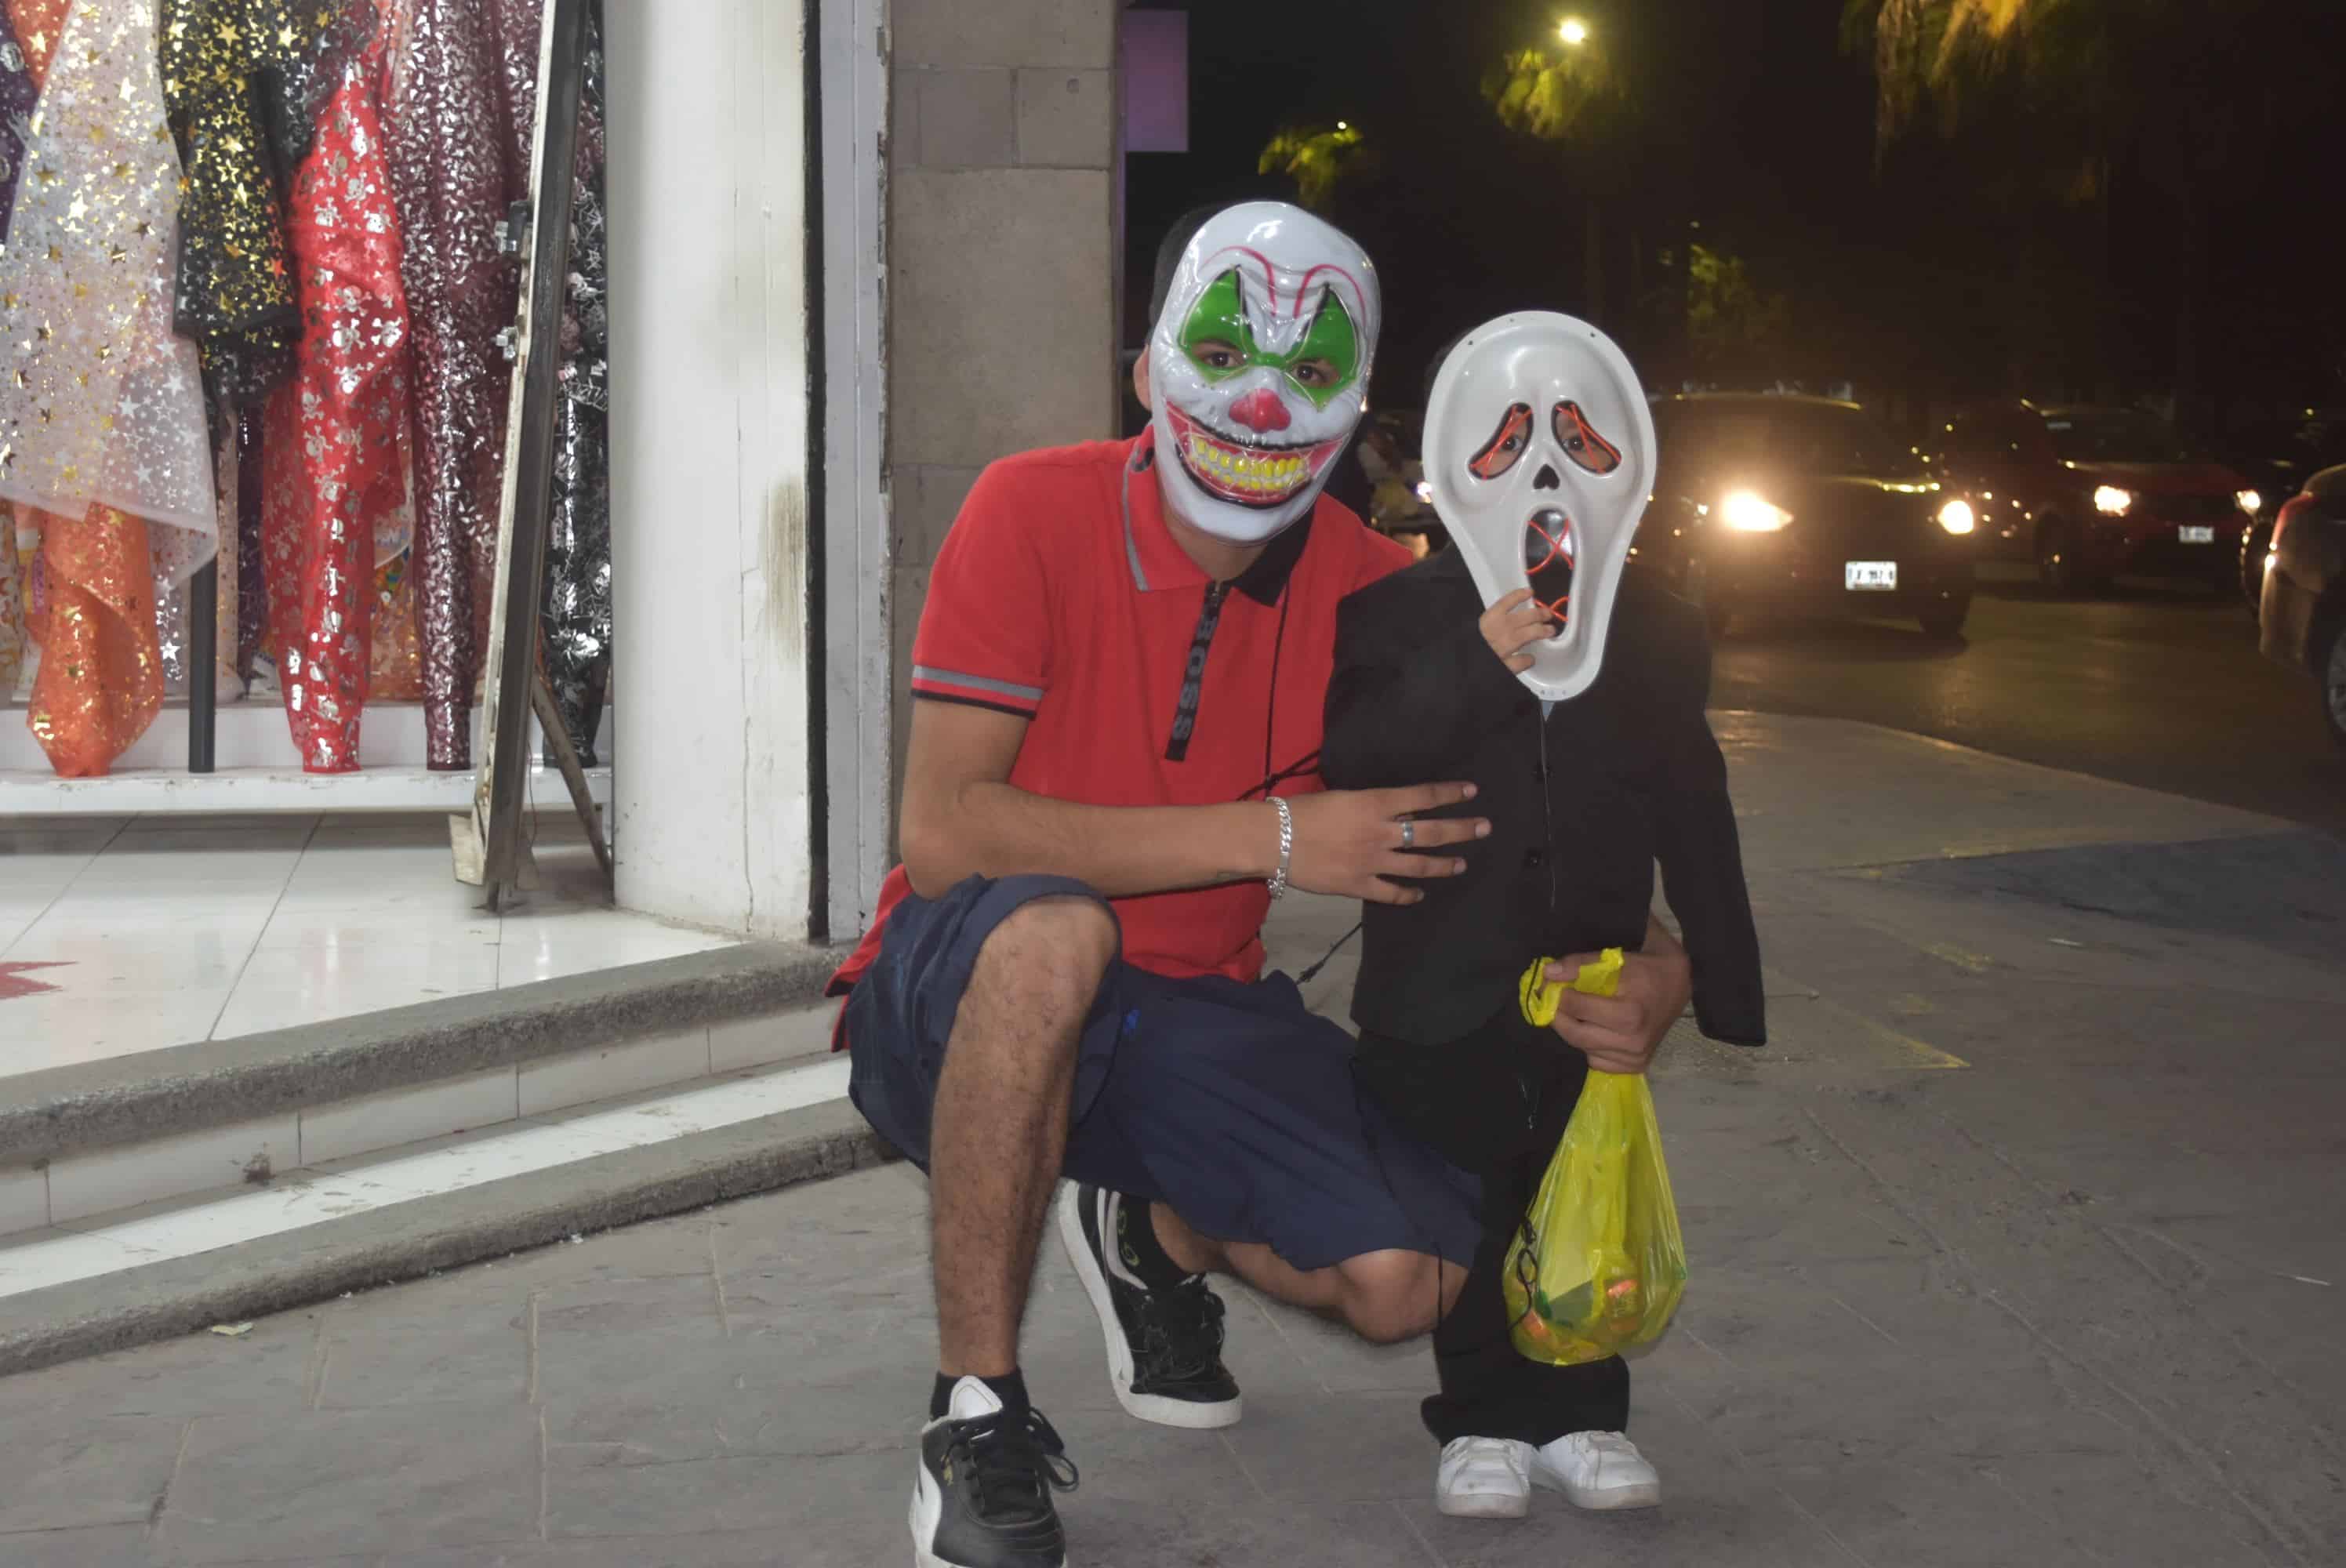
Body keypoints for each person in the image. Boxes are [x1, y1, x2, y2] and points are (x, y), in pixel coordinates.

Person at [829, 208, 1695, 1568]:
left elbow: (1516, 826)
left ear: (1355, 412)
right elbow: (944, 833)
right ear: (1146, 372)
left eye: (1307, 371)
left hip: (1193, 1010)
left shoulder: (1388, 598)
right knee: (1055, 936)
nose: (1257, 398)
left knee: (1409, 1285)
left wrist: (1657, 962)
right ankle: (978, 1413)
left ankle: (1148, 1227)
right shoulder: (1029, 506)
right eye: (1225, 347)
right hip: (960, 985)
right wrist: (1277, 840)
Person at [1322, 313, 1766, 1521]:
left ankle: (1580, 1410)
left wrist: (1720, 984)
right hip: (1441, 980)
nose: (1547, 471)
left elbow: (1692, 794)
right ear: (1445, 463)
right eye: (1513, 438)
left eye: (1577, 438)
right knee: (1468, 1205)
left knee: (1585, 1193)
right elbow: (1353, 756)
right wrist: (1477, 658)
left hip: (1592, 979)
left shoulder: (1662, 622)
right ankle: (1478, 1420)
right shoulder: (1396, 615)